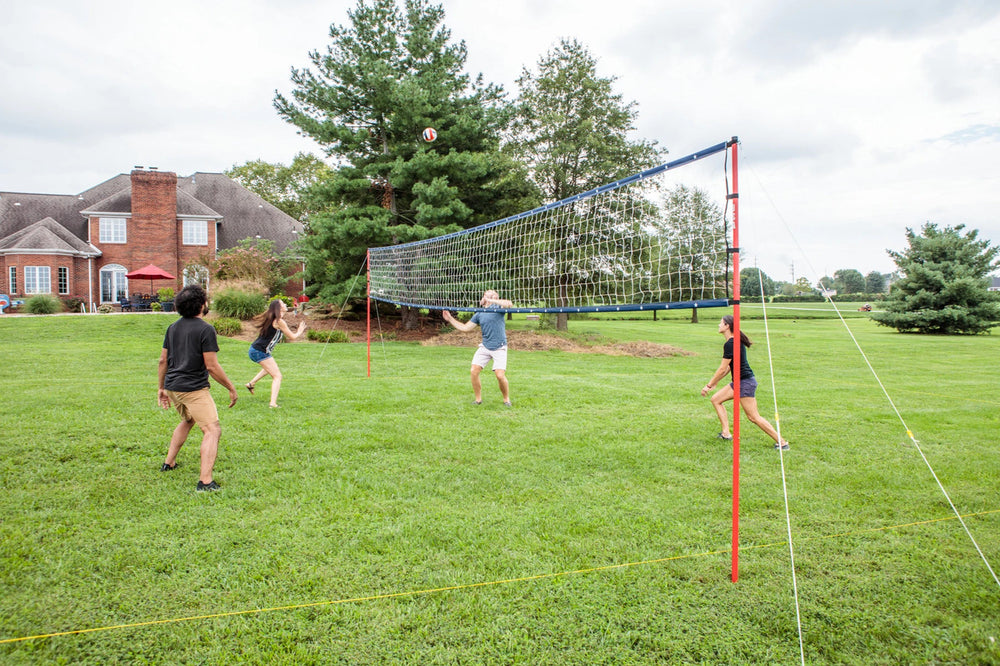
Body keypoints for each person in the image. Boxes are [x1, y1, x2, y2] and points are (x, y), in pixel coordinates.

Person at [158, 284, 239, 491]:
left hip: (173, 387)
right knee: (212, 429)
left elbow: (162, 361)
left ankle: (169, 463)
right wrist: (231, 387)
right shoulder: (205, 329)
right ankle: (205, 481)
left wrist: (161, 388)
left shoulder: (172, 327)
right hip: (193, 389)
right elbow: (211, 365)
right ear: (202, 304)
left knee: (189, 419)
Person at [701, 314, 790, 450]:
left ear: (727, 326)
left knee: (753, 417)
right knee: (716, 399)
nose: (718, 325)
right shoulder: (734, 341)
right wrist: (715, 383)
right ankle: (726, 433)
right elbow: (728, 369)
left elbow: (722, 368)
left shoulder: (731, 343)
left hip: (744, 383)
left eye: (721, 323)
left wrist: (708, 385)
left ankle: (782, 442)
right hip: (739, 382)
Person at [442, 290, 513, 406]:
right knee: (474, 371)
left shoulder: (498, 308)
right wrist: (450, 319)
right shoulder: (479, 313)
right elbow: (465, 328)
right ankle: (478, 400)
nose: (489, 295)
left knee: (500, 375)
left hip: (499, 347)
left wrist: (490, 300)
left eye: (492, 294)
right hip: (485, 346)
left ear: (495, 297)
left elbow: (509, 303)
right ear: (483, 296)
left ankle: (506, 400)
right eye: (487, 294)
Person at [245, 299, 306, 408]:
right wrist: (300, 331)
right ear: (278, 307)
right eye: (283, 303)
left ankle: (251, 384)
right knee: (277, 376)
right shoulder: (279, 321)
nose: (285, 304)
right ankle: (273, 404)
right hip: (260, 351)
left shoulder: (275, 319)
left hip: (256, 350)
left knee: (269, 369)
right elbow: (292, 337)